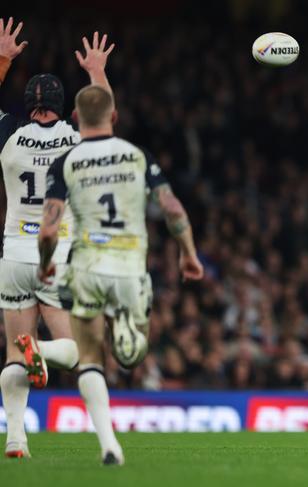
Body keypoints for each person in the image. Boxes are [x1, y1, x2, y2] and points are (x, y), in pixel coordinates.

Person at [38, 83, 204, 465]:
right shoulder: (137, 156)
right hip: (130, 267)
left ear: (76, 119)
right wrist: (188, 254)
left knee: (90, 358)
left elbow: (49, 229)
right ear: (114, 117)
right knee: (131, 358)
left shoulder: (66, 161)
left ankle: (110, 445)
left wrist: (47, 261)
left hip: (87, 267)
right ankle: (127, 331)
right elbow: (174, 209)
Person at [0, 19, 114, 459]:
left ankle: (15, 439)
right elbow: (105, 112)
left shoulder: (8, 134)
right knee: (78, 348)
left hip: (13, 252)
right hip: (59, 254)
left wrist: (5, 60)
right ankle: (42, 350)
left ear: (27, 106)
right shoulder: (73, 136)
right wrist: (96, 71)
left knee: (13, 352)